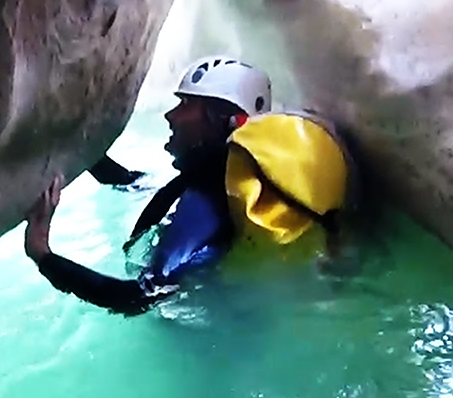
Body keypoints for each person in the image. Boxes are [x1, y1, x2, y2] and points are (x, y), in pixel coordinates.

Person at [23, 56, 362, 317]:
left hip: (213, 337)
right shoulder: (223, 184)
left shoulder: (205, 203)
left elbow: (139, 297)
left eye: (186, 106)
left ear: (223, 120)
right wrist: (77, 149)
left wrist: (43, 255)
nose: (171, 116)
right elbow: (132, 182)